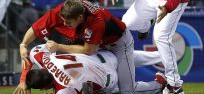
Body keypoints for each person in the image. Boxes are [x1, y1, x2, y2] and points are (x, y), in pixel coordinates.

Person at [18, 0, 164, 94]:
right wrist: (23, 44)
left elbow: (88, 49)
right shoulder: (64, 12)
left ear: (80, 18)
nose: (64, 24)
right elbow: (35, 31)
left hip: (118, 43)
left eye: (68, 23)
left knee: (127, 90)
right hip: (100, 52)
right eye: (63, 20)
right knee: (118, 61)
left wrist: (58, 47)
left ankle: (161, 83)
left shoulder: (95, 22)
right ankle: (161, 56)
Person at [14, 44, 164, 94]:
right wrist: (24, 78)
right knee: (128, 57)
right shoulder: (45, 59)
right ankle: (164, 56)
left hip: (109, 78)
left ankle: (160, 83)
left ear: (44, 88)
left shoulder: (63, 89)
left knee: (127, 90)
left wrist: (24, 82)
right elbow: (29, 55)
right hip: (104, 57)